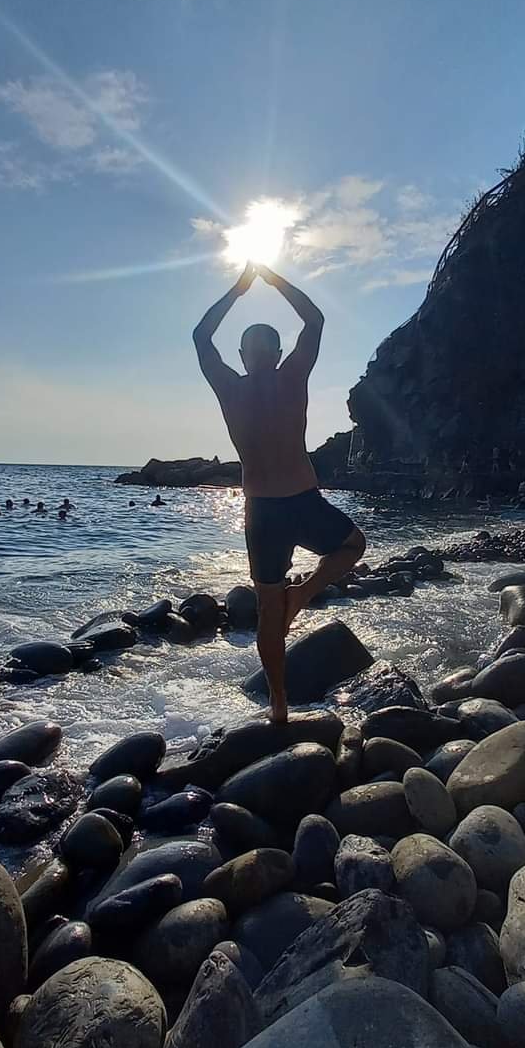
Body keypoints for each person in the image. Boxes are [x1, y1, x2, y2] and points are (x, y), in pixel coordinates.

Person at [193, 261, 365, 723]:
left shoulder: (229, 386)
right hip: (301, 501)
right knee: (352, 546)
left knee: (270, 608)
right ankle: (304, 594)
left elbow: (200, 336)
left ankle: (279, 703)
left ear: (245, 355)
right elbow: (315, 319)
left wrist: (238, 290)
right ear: (277, 351)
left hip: (261, 512)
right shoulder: (293, 376)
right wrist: (273, 280)